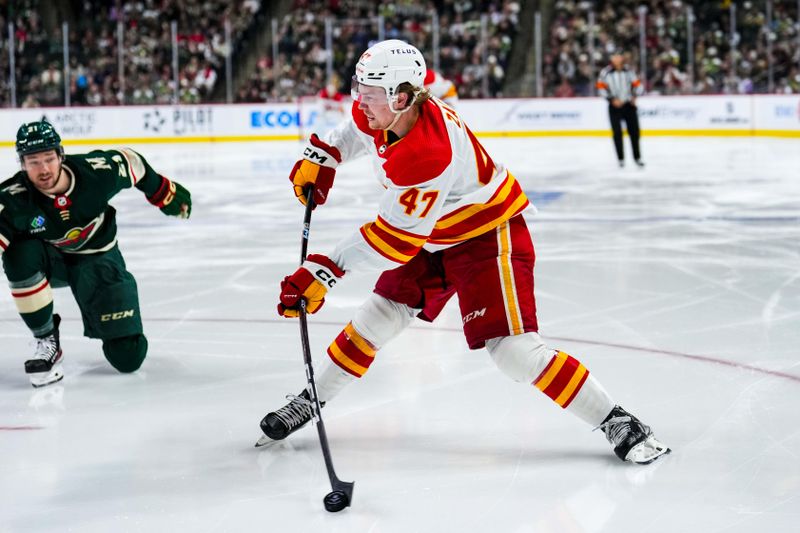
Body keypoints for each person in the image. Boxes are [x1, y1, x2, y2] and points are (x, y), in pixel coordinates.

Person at [257, 40, 669, 465]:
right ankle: (311, 399)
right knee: (375, 318)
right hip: (433, 233)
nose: (359, 100)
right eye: (358, 88)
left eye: (370, 93)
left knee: (514, 353)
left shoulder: (427, 153)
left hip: (485, 235)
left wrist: (324, 270)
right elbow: (357, 129)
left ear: (401, 97)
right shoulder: (384, 109)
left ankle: (617, 419)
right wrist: (328, 154)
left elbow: (395, 240)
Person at [0, 120, 191, 387]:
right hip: (52, 262)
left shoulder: (96, 172)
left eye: (48, 158)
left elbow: (131, 161)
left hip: (99, 258)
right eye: (33, 161)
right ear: (22, 164)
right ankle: (46, 341)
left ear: (61, 156)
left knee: (128, 357)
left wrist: (162, 193)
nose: (43, 169)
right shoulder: (12, 197)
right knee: (18, 253)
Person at [596, 52, 644, 167]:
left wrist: (634, 97)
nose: (617, 59)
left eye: (619, 56)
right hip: (614, 107)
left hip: (629, 105)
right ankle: (620, 159)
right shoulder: (605, 72)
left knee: (634, 132)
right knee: (617, 133)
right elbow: (600, 88)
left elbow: (638, 85)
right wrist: (611, 99)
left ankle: (637, 158)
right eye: (614, 56)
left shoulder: (629, 71)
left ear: (622, 58)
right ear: (611, 58)